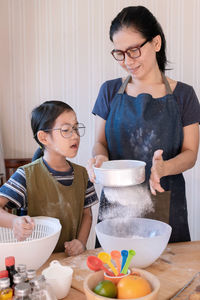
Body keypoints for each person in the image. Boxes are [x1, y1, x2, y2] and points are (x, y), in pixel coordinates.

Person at [87, 6, 200, 244]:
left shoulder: (184, 95)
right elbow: (100, 143)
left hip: (166, 202)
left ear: (156, 43)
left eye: (134, 50)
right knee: (116, 274)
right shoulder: (109, 91)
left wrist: (164, 168)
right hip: (117, 205)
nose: (127, 61)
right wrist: (100, 159)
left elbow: (190, 154)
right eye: (119, 53)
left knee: (168, 275)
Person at [0, 100, 98, 255]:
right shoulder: (26, 176)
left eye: (76, 128)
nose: (75, 136)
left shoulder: (82, 175)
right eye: (66, 130)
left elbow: (87, 215)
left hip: (68, 261)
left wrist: (80, 242)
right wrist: (14, 222)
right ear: (44, 138)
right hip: (35, 261)